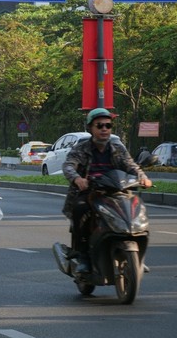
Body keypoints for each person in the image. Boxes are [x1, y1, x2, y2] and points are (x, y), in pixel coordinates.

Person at [62, 107, 152, 273]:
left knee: (137, 209)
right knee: (80, 208)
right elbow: (68, 165)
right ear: (91, 128)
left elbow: (130, 165)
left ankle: (137, 256)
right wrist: (77, 179)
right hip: (91, 192)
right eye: (100, 125)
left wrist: (143, 177)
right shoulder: (81, 148)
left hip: (117, 191)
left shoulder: (118, 147)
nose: (104, 129)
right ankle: (82, 256)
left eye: (108, 126)